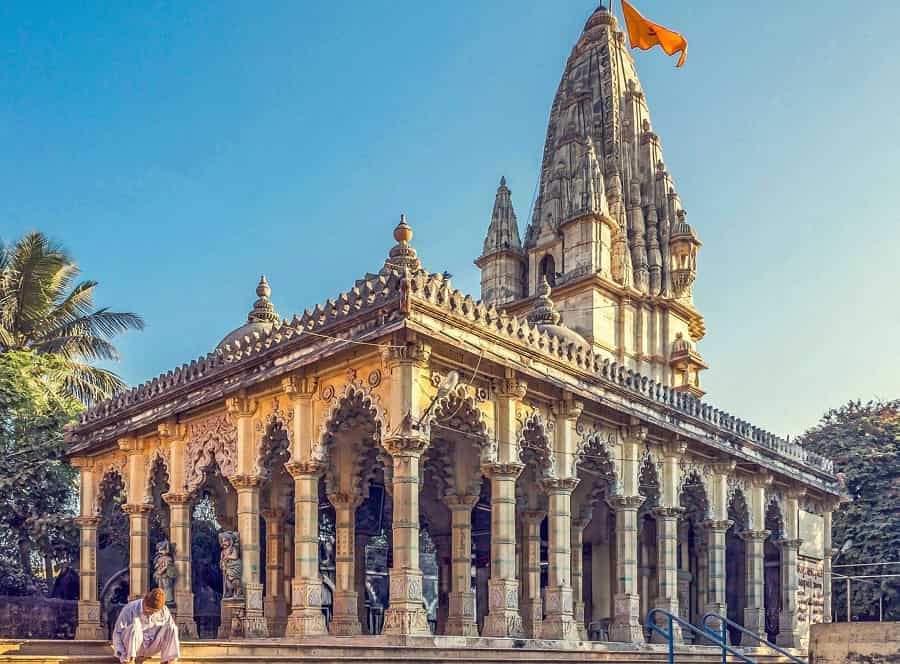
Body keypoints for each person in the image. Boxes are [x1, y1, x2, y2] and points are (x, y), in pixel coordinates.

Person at [111, 587, 180, 664]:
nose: (149, 612)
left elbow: (171, 635)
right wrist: (122, 655)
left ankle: (169, 661)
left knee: (172, 628)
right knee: (135, 625)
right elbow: (117, 633)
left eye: (153, 611)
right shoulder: (130, 608)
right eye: (148, 608)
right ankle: (130, 660)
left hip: (152, 646)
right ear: (144, 601)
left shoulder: (164, 610)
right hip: (132, 648)